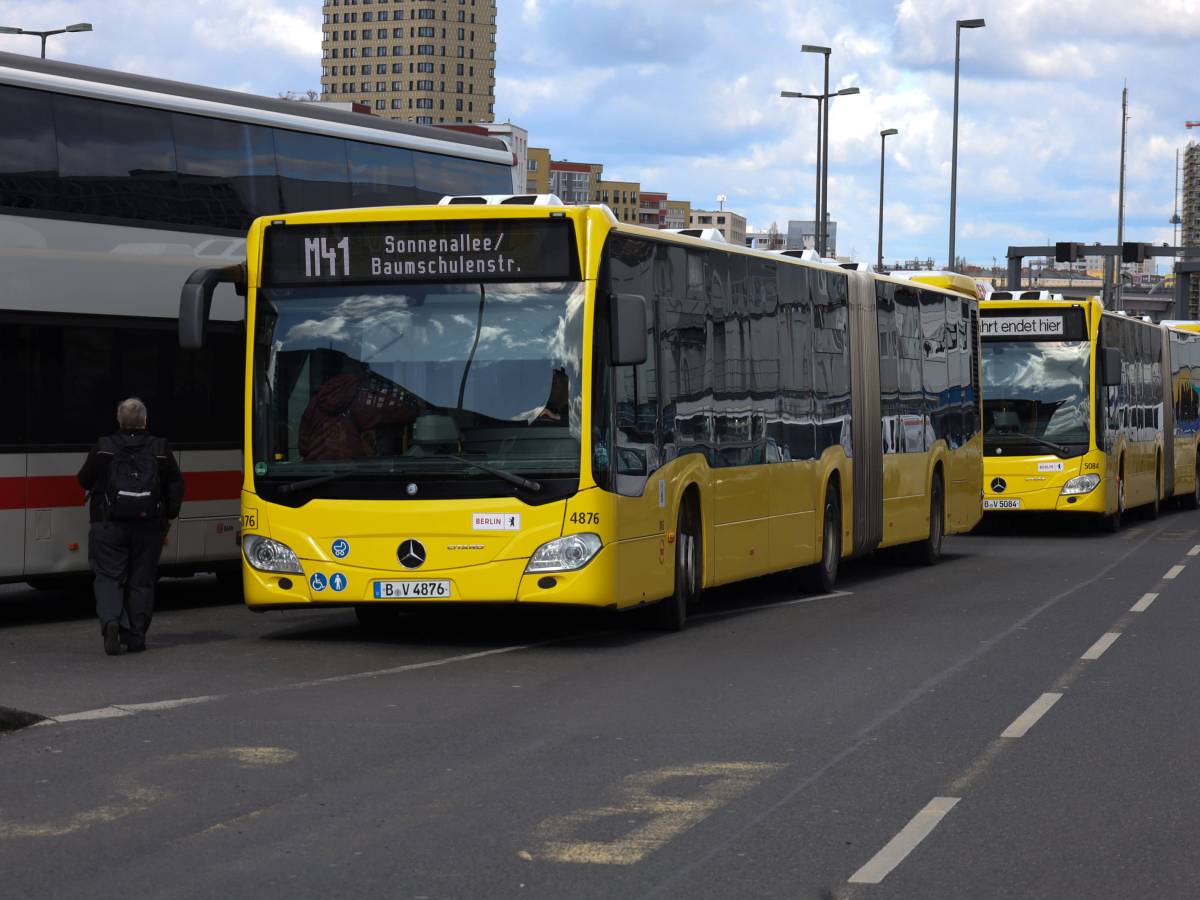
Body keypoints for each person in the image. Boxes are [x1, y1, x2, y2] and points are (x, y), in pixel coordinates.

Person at [78, 398, 184, 655]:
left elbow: (83, 479)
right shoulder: (160, 447)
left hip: (108, 524)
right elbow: (175, 485)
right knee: (141, 581)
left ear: (119, 420)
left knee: (107, 576)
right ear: (145, 421)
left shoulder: (103, 447)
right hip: (148, 526)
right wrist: (168, 515)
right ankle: (135, 636)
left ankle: (112, 622)